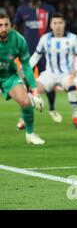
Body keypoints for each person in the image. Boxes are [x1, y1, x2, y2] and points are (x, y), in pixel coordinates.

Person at [28, 13, 77, 129]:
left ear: (64, 24)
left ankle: (76, 117)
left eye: (60, 23)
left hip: (66, 75)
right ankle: (26, 119)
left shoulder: (73, 38)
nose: (57, 26)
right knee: (31, 90)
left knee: (72, 89)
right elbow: (36, 56)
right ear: (51, 25)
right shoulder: (45, 39)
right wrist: (26, 69)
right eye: (55, 23)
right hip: (49, 74)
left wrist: (76, 70)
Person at [14, 0, 59, 124]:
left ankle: (52, 108)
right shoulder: (22, 9)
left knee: (50, 82)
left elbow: (56, 27)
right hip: (27, 54)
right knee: (26, 82)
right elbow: (15, 28)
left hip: (46, 53)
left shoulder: (49, 9)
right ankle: (24, 114)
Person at [0, 13, 45, 144]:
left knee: (26, 102)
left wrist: (35, 91)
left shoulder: (18, 40)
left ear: (10, 25)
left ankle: (30, 134)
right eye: (0, 25)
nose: (3, 28)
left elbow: (26, 66)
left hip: (9, 75)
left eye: (6, 25)